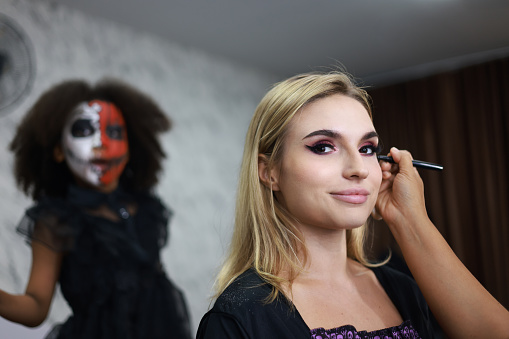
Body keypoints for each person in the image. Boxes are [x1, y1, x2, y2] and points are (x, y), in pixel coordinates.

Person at [196, 71, 509, 339]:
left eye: (367, 148)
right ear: (269, 172)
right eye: (323, 146)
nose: (358, 168)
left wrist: (409, 218)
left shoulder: (405, 289)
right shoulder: (238, 316)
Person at [0, 79, 191, 339]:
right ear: (58, 150)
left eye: (114, 133)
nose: (101, 143)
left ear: (130, 148)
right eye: (83, 130)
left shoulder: (145, 209)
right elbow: (35, 306)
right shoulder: (56, 221)